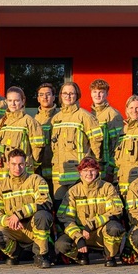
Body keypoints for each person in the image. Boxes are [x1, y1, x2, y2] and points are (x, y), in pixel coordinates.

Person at [0, 149, 53, 268]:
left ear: (26, 164)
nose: (17, 168)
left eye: (20, 164)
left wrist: (18, 215)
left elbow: (45, 202)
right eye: (13, 164)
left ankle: (41, 255)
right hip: (14, 229)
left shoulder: (36, 180)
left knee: (43, 215)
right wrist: (9, 221)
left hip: (32, 227)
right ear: (8, 164)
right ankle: (14, 253)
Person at [55, 157, 124, 267]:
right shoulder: (72, 192)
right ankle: (81, 256)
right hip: (81, 234)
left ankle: (109, 255)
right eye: (85, 170)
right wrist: (78, 238)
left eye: (92, 170)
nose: (89, 173)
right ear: (80, 173)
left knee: (115, 228)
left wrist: (91, 225)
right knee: (61, 244)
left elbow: (115, 211)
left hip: (101, 232)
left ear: (97, 171)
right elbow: (66, 219)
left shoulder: (107, 188)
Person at [50, 82, 101, 210]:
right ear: (60, 95)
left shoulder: (86, 117)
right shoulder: (55, 119)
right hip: (59, 175)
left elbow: (96, 144)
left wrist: (94, 168)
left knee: (78, 210)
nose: (68, 96)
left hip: (78, 174)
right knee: (60, 210)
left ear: (77, 95)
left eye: (71, 93)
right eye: (65, 93)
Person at [0, 86, 44, 181]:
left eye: (16, 100)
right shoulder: (2, 122)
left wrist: (30, 165)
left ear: (23, 101)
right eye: (10, 100)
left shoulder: (30, 122)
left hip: (22, 172)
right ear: (6, 101)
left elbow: (37, 149)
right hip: (3, 171)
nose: (13, 104)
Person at [89, 79, 123, 182]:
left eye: (101, 92)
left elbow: (118, 144)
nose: (97, 95)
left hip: (106, 167)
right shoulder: (89, 115)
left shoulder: (113, 115)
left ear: (107, 94)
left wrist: (111, 168)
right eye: (94, 92)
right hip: (93, 167)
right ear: (91, 93)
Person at [33, 83, 59, 187]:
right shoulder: (33, 121)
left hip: (59, 170)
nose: (45, 97)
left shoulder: (61, 117)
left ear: (54, 97)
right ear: (38, 98)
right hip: (40, 170)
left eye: (48, 94)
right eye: (41, 94)